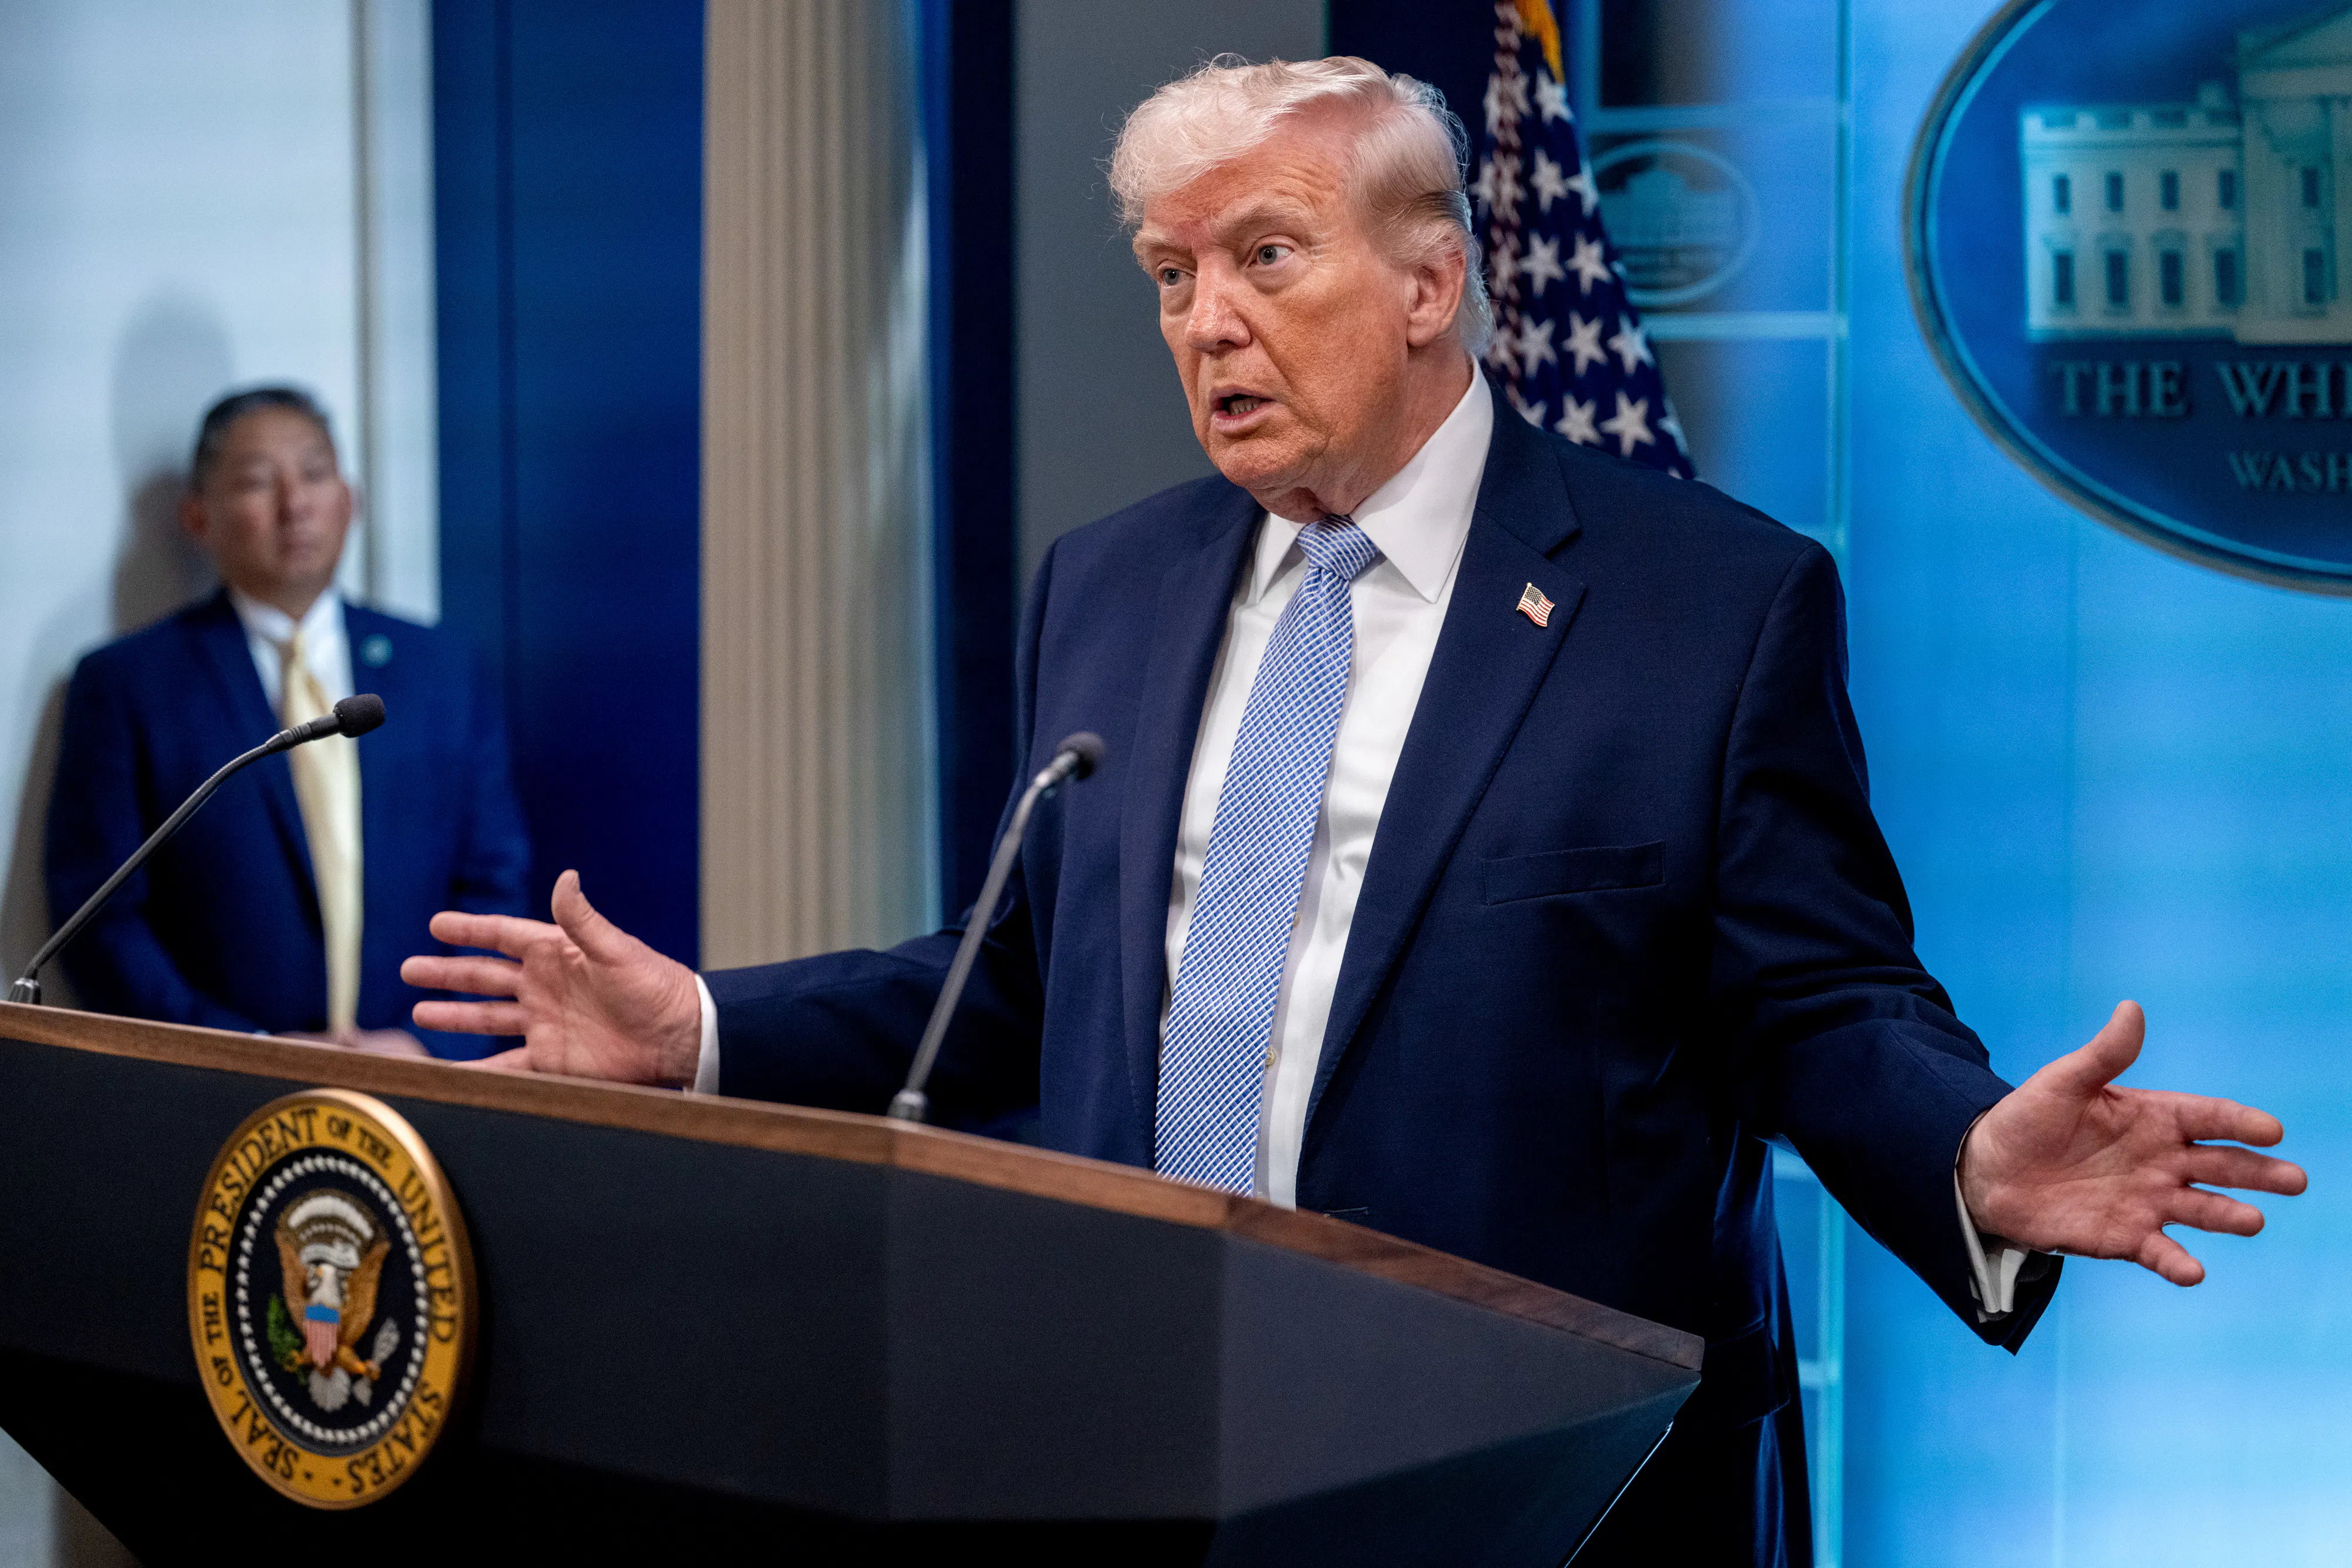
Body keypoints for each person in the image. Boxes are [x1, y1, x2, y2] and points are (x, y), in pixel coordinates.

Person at [400, 59, 2306, 1562]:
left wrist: (1969, 1152)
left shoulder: (1703, 602)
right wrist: (711, 1027)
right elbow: (1038, 971)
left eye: (1261, 257)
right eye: (1169, 277)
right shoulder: (1110, 579)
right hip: (1133, 1450)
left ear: (1428, 281)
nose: (1203, 323)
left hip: (1538, 1482)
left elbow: (1815, 998)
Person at [48, 386, 530, 1059]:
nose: (294, 504)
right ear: (197, 517)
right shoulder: (128, 684)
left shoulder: (443, 670)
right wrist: (247, 1050)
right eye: (255, 481)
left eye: (314, 473)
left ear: (349, 500)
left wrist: (427, 1042)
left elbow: (494, 882)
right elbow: (102, 921)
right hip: (219, 1092)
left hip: (422, 1083)